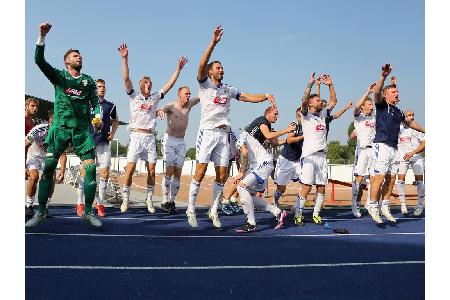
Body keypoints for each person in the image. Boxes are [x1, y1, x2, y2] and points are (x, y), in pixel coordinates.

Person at [185, 25, 276, 228]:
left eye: (222, 68)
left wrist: (265, 96)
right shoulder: (204, 84)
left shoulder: (228, 89)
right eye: (218, 68)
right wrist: (213, 43)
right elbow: (200, 65)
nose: (222, 70)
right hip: (207, 133)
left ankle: (213, 210)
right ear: (210, 72)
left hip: (224, 135)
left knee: (222, 175)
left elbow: (245, 96)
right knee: (199, 172)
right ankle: (190, 209)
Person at [26, 22, 103, 227]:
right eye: (75, 56)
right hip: (59, 130)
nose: (79, 57)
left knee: (91, 169)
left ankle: (88, 212)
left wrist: (98, 115)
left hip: (81, 132)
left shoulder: (88, 81)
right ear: (67, 61)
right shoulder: (59, 76)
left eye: (80, 56)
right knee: (48, 169)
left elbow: (95, 103)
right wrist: (42, 37)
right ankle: (40, 212)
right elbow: (39, 60)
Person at [118, 43, 187, 214]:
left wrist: (178, 69)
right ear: (141, 85)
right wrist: (125, 59)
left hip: (149, 138)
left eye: (150, 83)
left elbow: (169, 85)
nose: (149, 84)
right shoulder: (134, 96)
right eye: (147, 82)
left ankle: (149, 199)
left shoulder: (155, 98)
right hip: (136, 137)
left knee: (151, 170)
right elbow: (126, 79)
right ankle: (125, 199)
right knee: (130, 168)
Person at [367, 65, 425, 224]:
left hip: (394, 149)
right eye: (393, 92)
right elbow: (377, 92)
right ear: (386, 96)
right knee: (378, 179)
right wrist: (383, 77)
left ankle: (384, 206)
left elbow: (410, 123)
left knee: (391, 180)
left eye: (397, 92)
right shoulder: (381, 105)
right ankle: (373, 207)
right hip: (382, 145)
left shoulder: (398, 111)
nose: (397, 93)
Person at [233, 106, 294, 233]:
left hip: (263, 163)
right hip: (261, 164)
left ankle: (251, 223)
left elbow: (244, 151)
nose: (277, 116)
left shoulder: (242, 137)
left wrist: (241, 172)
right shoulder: (252, 130)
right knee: (250, 194)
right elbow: (275, 142)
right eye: (276, 114)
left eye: (277, 114)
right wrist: (289, 137)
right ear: (268, 113)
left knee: (241, 187)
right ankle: (277, 212)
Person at [293, 74, 337, 226]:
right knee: (306, 186)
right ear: (311, 104)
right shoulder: (306, 115)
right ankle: (298, 214)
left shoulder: (324, 114)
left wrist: (330, 85)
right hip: (309, 156)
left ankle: (316, 214)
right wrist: (310, 84)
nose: (321, 101)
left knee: (321, 187)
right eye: (318, 100)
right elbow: (304, 100)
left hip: (322, 156)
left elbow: (333, 101)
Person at [75, 79, 119, 217]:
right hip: (89, 143)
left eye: (103, 87)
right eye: (99, 87)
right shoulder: (87, 103)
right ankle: (80, 203)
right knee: (85, 172)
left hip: (104, 144)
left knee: (105, 172)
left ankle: (100, 203)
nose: (102, 89)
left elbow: (116, 120)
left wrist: (113, 133)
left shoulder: (110, 105)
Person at [157, 86, 200, 214]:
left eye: (189, 93)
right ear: (179, 94)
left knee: (178, 172)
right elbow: (162, 109)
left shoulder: (190, 104)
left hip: (181, 142)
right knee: (169, 169)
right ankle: (164, 200)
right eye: (186, 93)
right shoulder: (171, 106)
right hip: (169, 140)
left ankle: (171, 200)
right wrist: (160, 111)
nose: (188, 95)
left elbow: (199, 97)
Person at [25, 109, 67, 218]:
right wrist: (24, 166)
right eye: (54, 121)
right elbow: (24, 145)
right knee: (34, 177)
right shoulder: (38, 129)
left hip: (47, 158)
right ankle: (29, 205)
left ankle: (45, 206)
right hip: (33, 156)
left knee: (51, 178)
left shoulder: (61, 134)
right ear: (49, 121)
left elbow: (62, 154)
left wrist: (62, 171)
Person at [351, 83, 376, 218]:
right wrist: (367, 92)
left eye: (372, 105)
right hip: (361, 151)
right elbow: (356, 107)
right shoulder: (358, 116)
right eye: (369, 104)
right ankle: (355, 204)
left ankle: (369, 204)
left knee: (374, 178)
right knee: (359, 179)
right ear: (363, 106)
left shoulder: (373, 117)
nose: (371, 106)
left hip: (373, 151)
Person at [272, 107, 303, 208]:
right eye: (299, 116)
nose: (300, 118)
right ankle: (275, 200)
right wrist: (303, 136)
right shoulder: (294, 125)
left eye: (302, 116)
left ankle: (296, 207)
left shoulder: (309, 126)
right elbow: (289, 140)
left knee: (306, 183)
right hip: (286, 160)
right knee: (281, 188)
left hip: (298, 161)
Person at [396, 110, 425, 216]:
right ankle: (403, 205)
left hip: (416, 157)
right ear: (404, 117)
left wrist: (412, 153)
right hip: (402, 157)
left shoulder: (418, 129)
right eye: (409, 115)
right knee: (400, 180)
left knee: (420, 181)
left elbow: (423, 145)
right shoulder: (398, 129)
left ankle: (420, 206)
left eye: (413, 115)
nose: (412, 117)